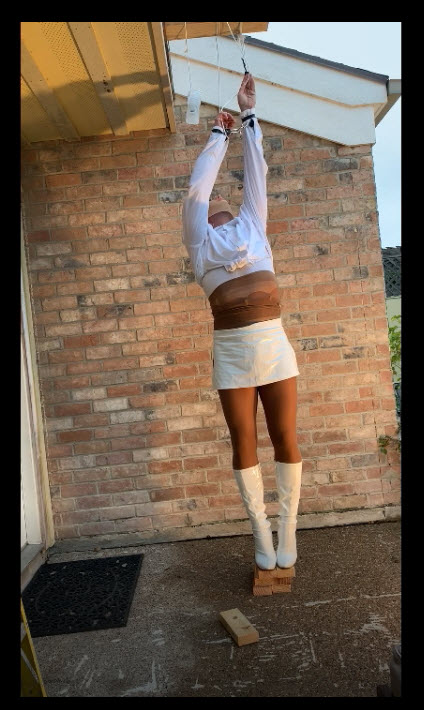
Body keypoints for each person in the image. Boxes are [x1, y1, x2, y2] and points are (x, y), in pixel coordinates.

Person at [182, 74, 302, 570]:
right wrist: (219, 134)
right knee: (243, 440)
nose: (222, 216)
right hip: (231, 352)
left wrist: (250, 114)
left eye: (226, 211)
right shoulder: (199, 245)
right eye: (215, 214)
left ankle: (287, 528)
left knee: (285, 435)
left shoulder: (254, 225)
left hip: (273, 342)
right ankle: (260, 534)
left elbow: (258, 175)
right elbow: (197, 191)